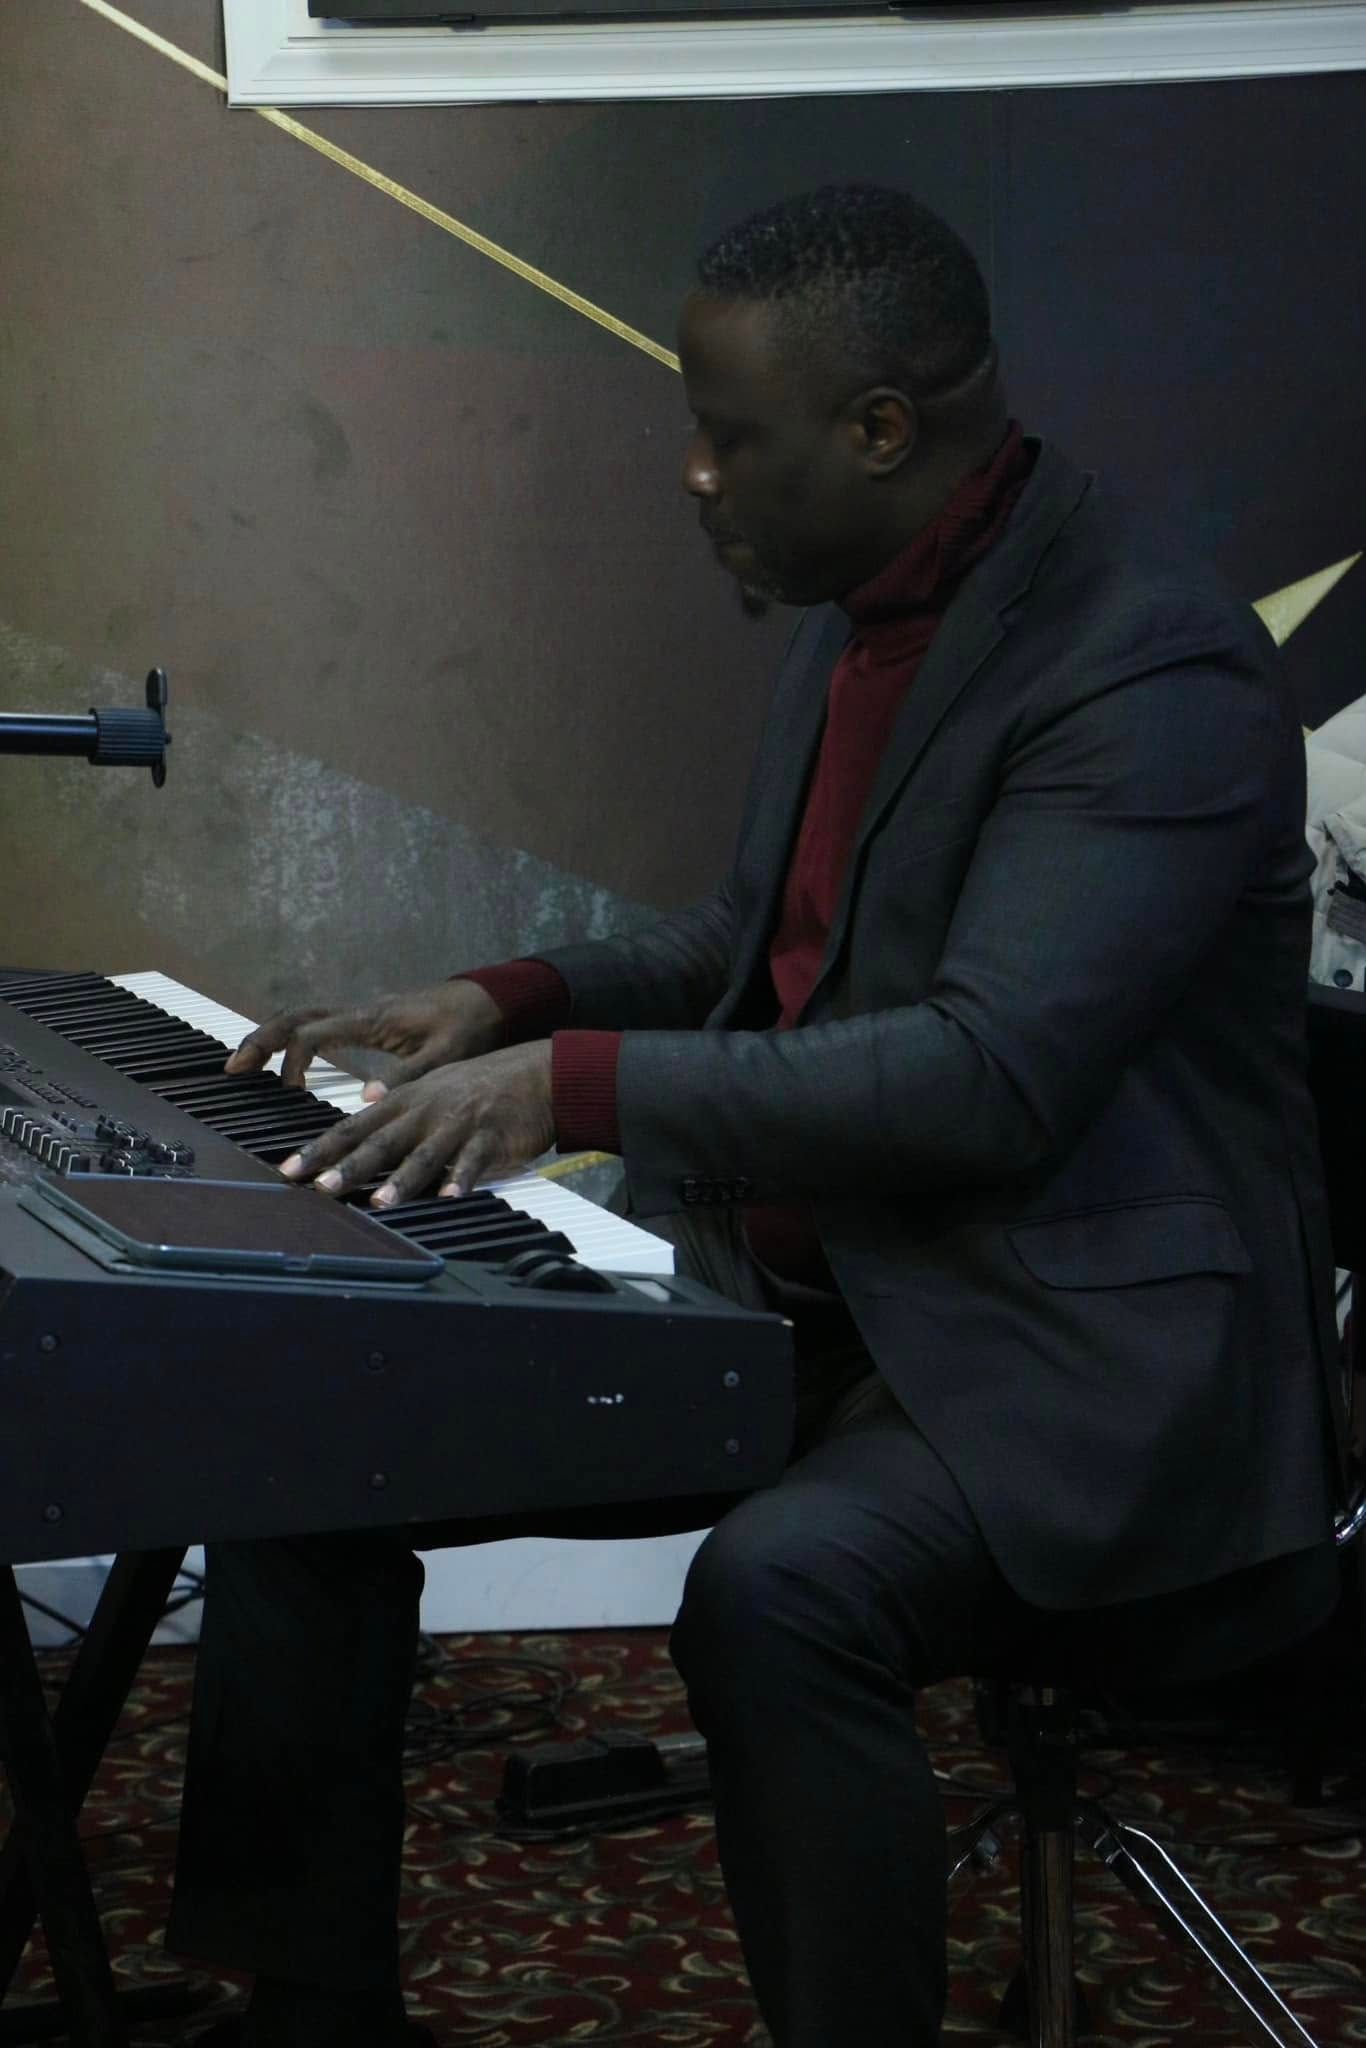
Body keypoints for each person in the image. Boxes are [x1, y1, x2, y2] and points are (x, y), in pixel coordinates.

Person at [171, 184, 1346, 2048]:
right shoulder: (857, 598)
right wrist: (515, 998)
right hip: (819, 1298)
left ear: (880, 430)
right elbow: (770, 939)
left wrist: (561, 1085)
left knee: (780, 1594)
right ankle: (309, 2010)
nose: (700, 478)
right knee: (315, 1435)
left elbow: (985, 1073)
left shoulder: (1147, 670)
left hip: (1063, 1358)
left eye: (731, 436)